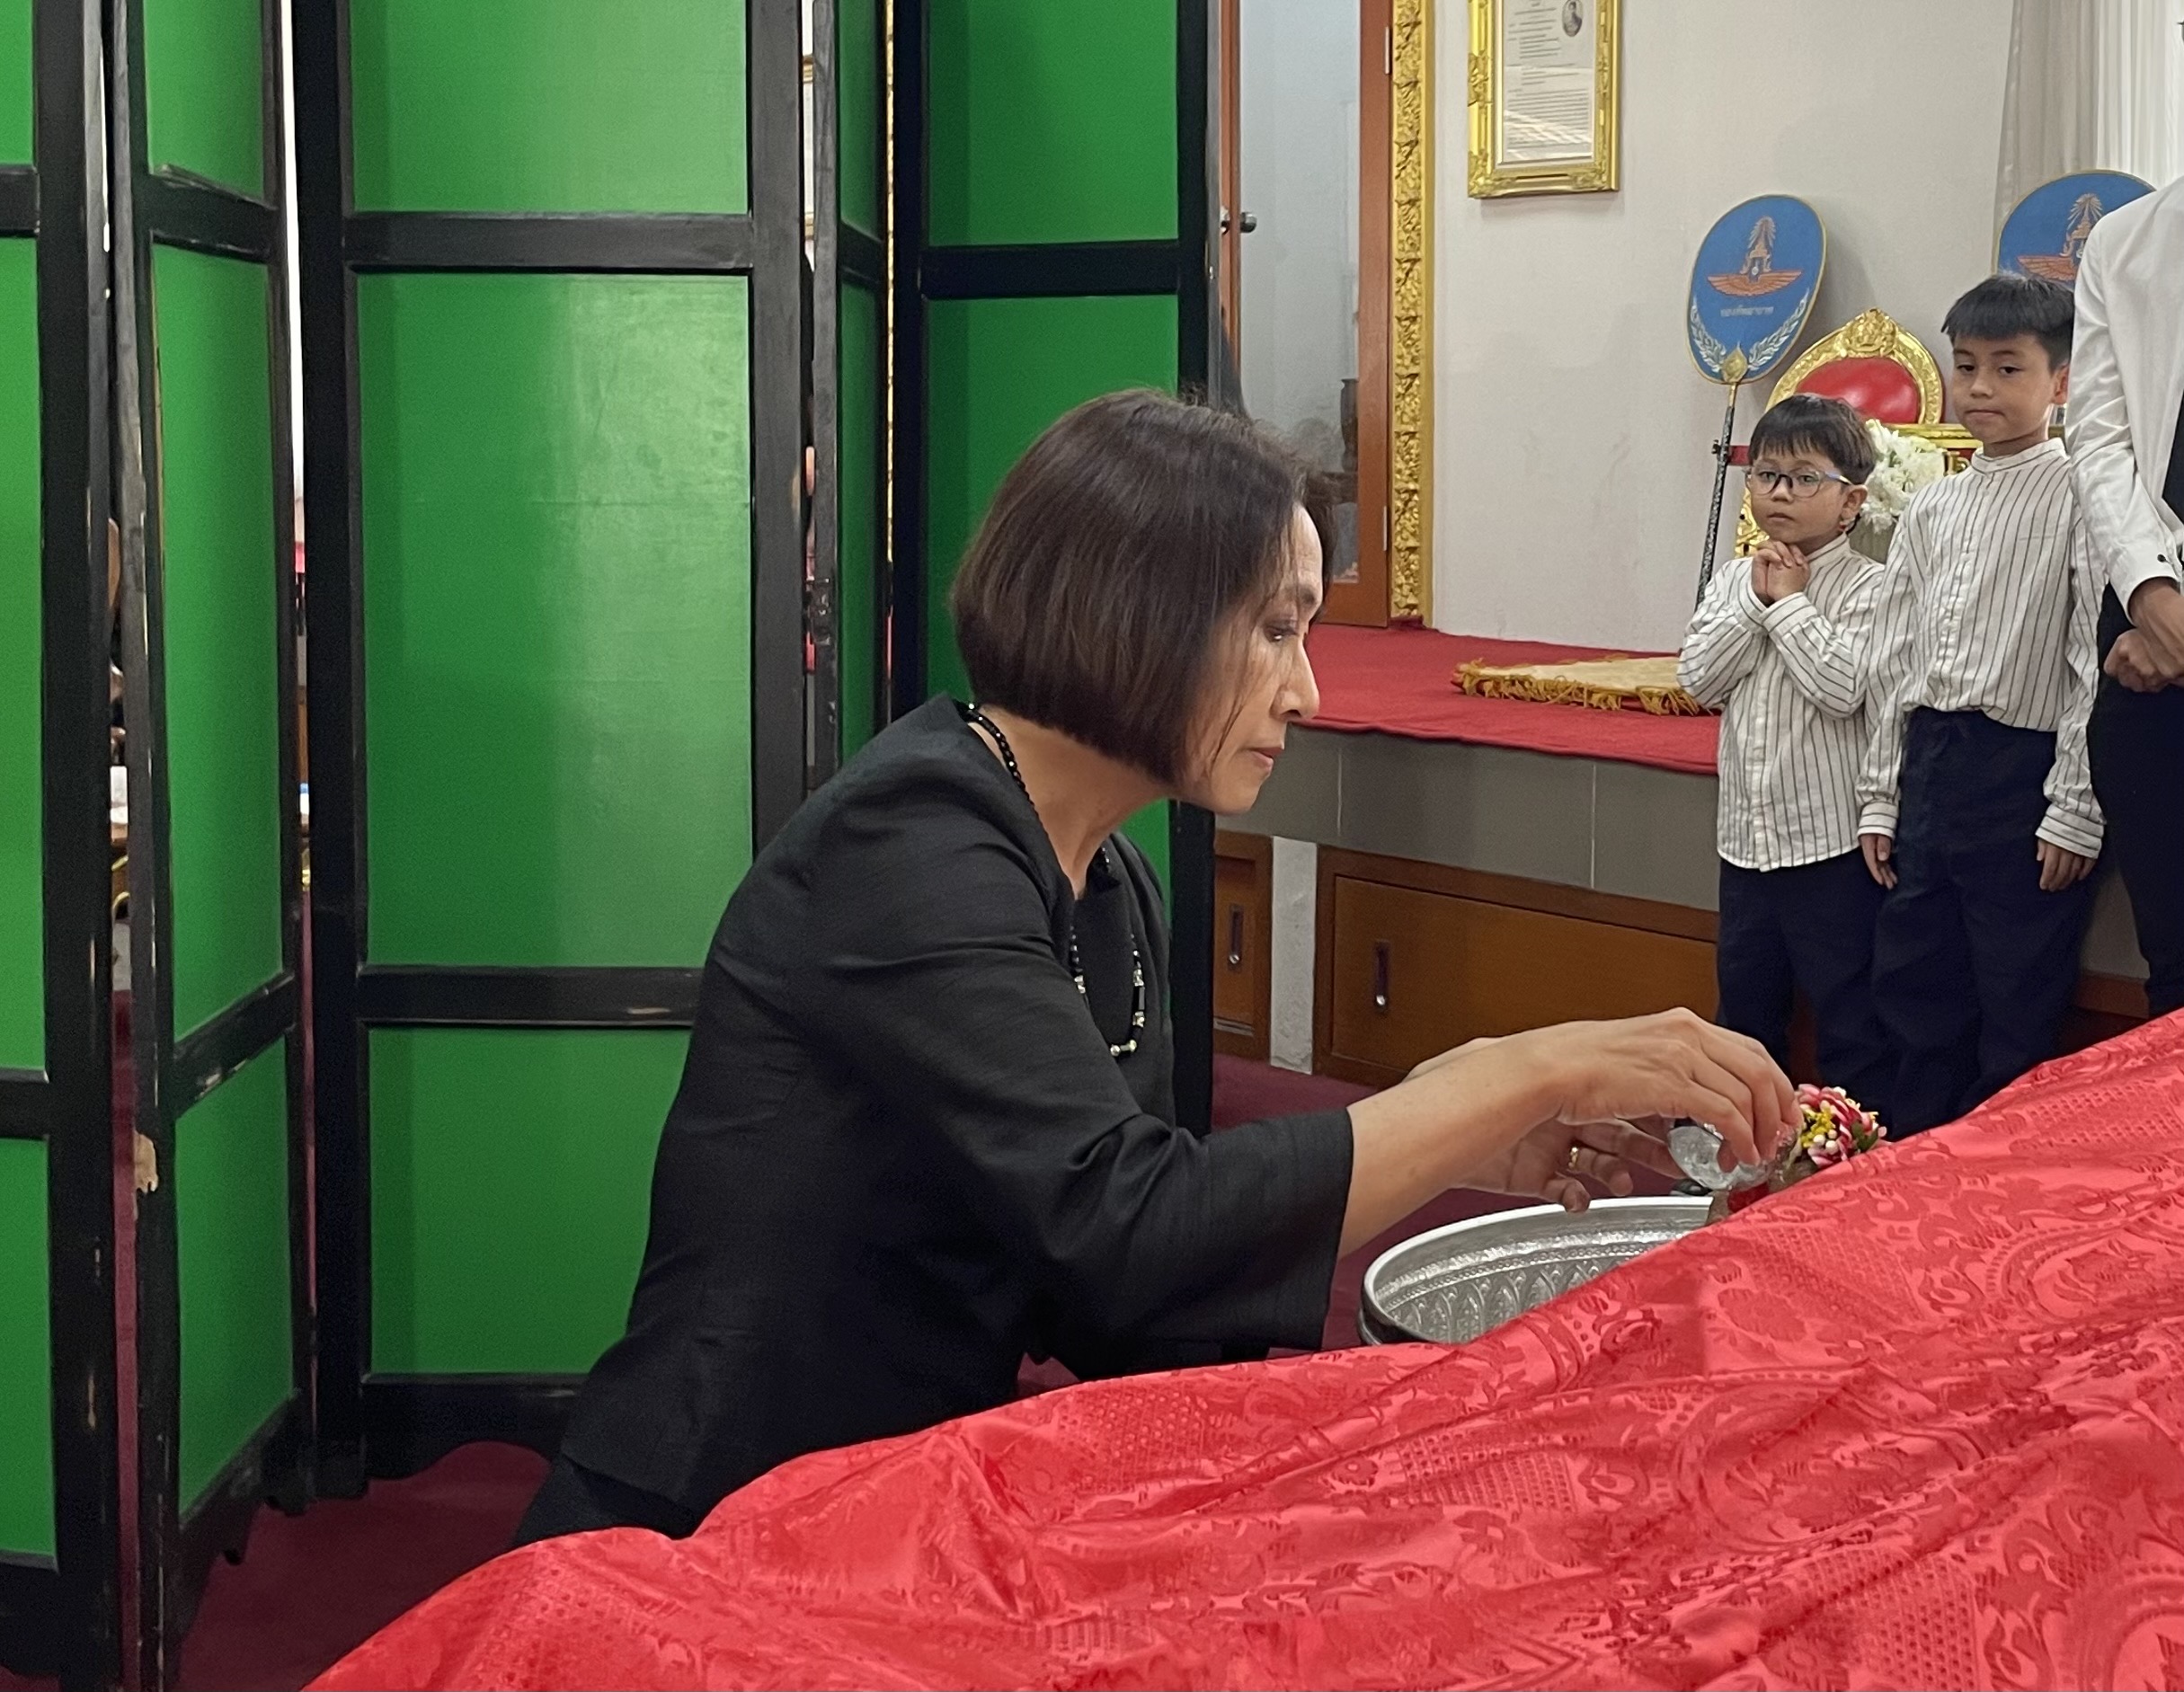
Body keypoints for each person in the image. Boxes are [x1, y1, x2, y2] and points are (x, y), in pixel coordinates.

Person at [517, 391, 1798, 1543]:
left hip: (893, 1504)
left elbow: (1123, 1296)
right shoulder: (911, 840)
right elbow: (1120, 1222)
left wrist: (1449, 1146)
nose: (1305, 690)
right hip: (709, 1515)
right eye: (1274, 629)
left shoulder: (1105, 874)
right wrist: (1519, 1070)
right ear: (1136, 612)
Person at [1860, 274, 2103, 1134]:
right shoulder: (1933, 504)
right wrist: (1882, 795)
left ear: (2061, 381)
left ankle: (1998, 1174)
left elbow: (2088, 661)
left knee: (2016, 990)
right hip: (1932, 763)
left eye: (2008, 368)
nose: (1981, 388)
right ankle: (1914, 1156)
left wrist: (2074, 806)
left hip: (2021, 770)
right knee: (1915, 977)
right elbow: (1897, 657)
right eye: (1966, 367)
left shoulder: (2082, 495)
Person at [1678, 394, 1895, 1119]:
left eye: (1805, 478)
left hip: (1829, 847)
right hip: (1746, 844)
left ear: (1851, 500)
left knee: (1850, 1018)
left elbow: (1843, 688)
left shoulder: (1870, 588)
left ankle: (1852, 1159)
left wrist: (1791, 604)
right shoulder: (1733, 580)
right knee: (1745, 1014)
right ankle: (1744, 1154)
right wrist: (1756, 599)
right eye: (1767, 474)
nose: (1780, 491)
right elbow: (1698, 679)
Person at [2070, 176, 2184, 1020]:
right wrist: (2150, 591)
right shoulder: (2125, 239)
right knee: (2175, 963)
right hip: (2145, 634)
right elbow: (2102, 440)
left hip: (2164, 640)